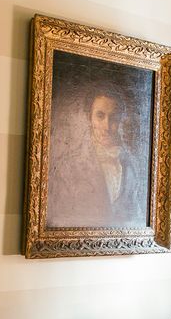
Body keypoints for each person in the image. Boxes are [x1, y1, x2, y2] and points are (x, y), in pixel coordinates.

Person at [46, 83, 146, 229]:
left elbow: (136, 216)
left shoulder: (131, 165)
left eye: (114, 117)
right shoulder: (69, 165)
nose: (106, 126)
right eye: (100, 116)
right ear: (90, 118)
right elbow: (59, 219)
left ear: (120, 121)